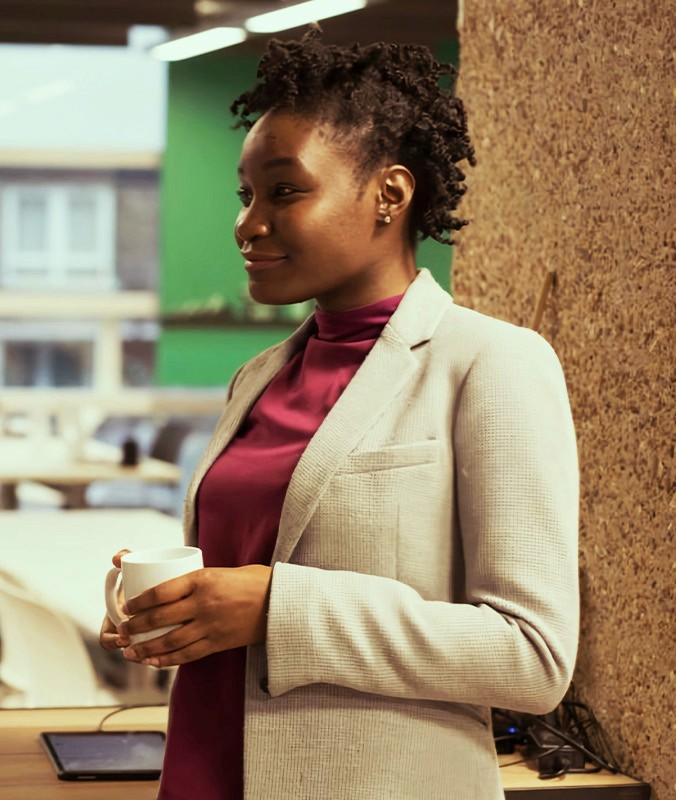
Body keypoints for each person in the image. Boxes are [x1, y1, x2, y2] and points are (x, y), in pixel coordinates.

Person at [98, 29, 577, 800]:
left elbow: (533, 656)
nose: (248, 223)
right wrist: (179, 613)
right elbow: (244, 589)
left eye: (285, 191)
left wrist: (276, 607)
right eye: (245, 195)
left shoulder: (492, 364)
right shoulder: (259, 376)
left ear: (390, 194)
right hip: (202, 775)